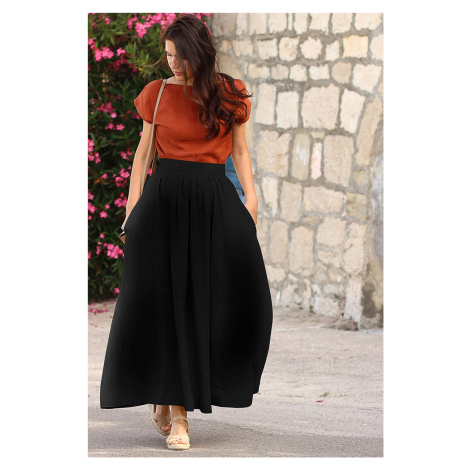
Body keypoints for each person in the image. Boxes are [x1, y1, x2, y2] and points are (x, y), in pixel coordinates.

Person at [99, 14, 273, 451]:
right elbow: (143, 156)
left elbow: (240, 152)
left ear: (200, 54)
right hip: (163, 204)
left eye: (179, 56)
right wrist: (132, 210)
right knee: (166, 305)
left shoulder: (230, 93)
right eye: (168, 55)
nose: (172, 63)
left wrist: (252, 201)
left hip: (215, 203)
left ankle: (167, 395)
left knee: (228, 300)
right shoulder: (156, 94)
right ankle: (178, 415)